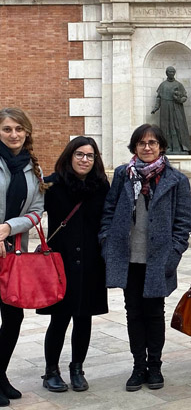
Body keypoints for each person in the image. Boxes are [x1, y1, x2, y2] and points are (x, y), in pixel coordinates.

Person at [99, 124, 191, 392]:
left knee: (154, 313)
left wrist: (174, 253)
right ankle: (138, 365)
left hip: (158, 259)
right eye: (142, 143)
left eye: (152, 143)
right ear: (134, 147)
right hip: (128, 258)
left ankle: (155, 366)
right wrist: (107, 243)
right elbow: (109, 210)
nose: (147, 147)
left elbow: (184, 221)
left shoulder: (176, 180)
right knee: (133, 313)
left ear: (161, 146)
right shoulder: (122, 175)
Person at [39, 137, 110, 393]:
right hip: (60, 262)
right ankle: (51, 371)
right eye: (79, 154)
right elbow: (33, 214)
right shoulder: (52, 184)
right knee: (59, 318)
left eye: (90, 156)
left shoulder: (101, 185)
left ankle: (77, 368)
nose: (84, 160)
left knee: (84, 318)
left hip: (92, 262)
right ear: (70, 156)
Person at [0, 108, 46, 408]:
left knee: (13, 317)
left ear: (27, 132)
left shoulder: (33, 168)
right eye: (7, 129)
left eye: (19, 129)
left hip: (14, 253)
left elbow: (37, 211)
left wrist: (6, 228)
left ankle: (0, 374)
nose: (14, 134)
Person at [152, 66, 191, 155]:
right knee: (166, 128)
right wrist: (156, 108)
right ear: (166, 73)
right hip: (165, 108)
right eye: (169, 72)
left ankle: (181, 147)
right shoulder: (163, 85)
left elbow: (184, 96)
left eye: (173, 72)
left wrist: (180, 99)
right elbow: (159, 98)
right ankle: (167, 147)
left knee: (178, 127)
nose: (171, 73)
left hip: (176, 108)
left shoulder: (178, 85)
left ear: (174, 73)